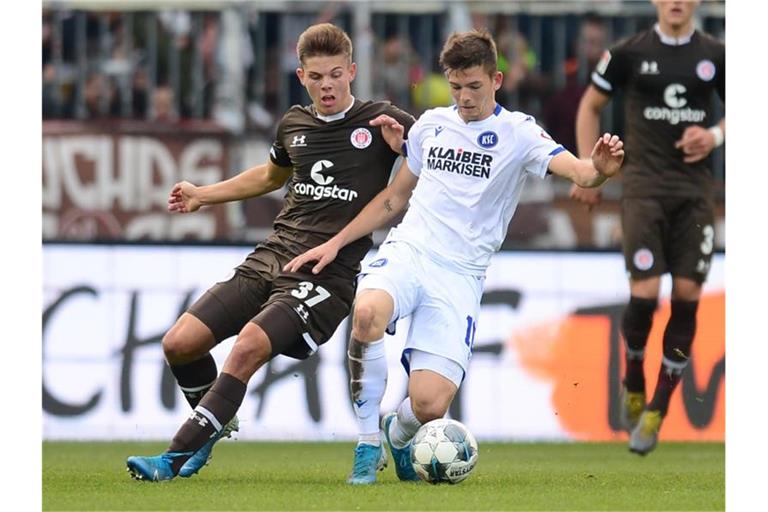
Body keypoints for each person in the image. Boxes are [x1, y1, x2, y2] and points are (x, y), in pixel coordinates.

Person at [284, 28, 624, 483]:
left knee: (429, 405)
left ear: (497, 80)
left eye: (474, 87)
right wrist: (337, 241)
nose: (464, 97)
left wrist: (598, 169)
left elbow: (580, 173)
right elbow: (393, 199)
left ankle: (395, 430)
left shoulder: (519, 133)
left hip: (460, 275)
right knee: (366, 314)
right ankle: (367, 444)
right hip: (410, 250)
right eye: (456, 87)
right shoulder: (430, 126)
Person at [124, 22, 415, 481]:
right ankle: (213, 425)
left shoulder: (382, 121)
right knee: (179, 343)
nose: (327, 86)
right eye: (316, 77)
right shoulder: (294, 124)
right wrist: (203, 194)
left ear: (352, 71)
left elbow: (427, 167)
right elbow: (269, 177)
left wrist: (409, 149)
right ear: (301, 76)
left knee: (248, 346)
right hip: (272, 255)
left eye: (335, 74)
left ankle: (173, 457)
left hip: (327, 274)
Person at [570, 0, 724, 455]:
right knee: (645, 292)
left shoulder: (717, 55)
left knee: (688, 296)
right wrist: (589, 170)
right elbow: (589, 107)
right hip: (642, 190)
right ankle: (634, 372)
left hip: (695, 193)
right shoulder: (627, 54)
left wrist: (713, 135)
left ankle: (657, 407)